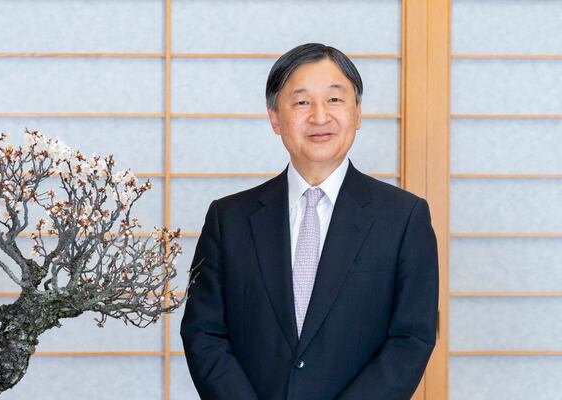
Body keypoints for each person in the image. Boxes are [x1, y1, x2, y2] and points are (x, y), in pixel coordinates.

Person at [180, 43, 439, 400]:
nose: (319, 116)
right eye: (301, 102)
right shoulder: (229, 219)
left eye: (335, 100)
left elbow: (412, 338)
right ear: (275, 118)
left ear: (358, 113)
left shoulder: (404, 218)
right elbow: (203, 333)